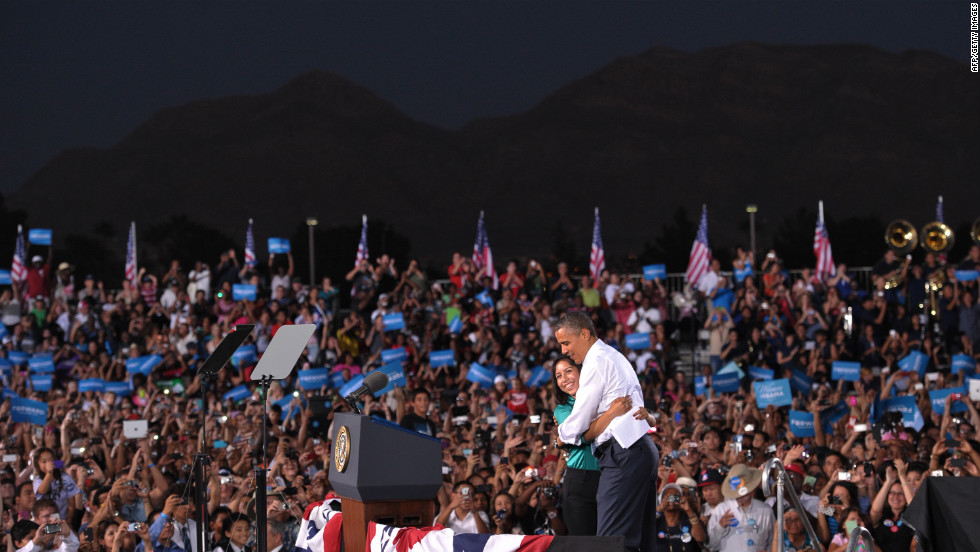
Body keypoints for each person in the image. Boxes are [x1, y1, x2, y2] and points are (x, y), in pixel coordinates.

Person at [554, 312, 658, 552]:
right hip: (639, 450)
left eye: (566, 343)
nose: (563, 351)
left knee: (611, 544)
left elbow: (579, 419)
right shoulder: (613, 356)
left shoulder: (596, 361)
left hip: (623, 453)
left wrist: (561, 435)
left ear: (584, 334)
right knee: (640, 542)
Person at [551, 355, 648, 536]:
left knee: (611, 542)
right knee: (585, 545)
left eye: (568, 371)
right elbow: (581, 436)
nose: (564, 379)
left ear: (583, 372)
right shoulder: (563, 409)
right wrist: (611, 413)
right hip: (580, 481)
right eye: (558, 376)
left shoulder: (603, 398)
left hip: (612, 476)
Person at [707, 463, 774, 552]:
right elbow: (711, 546)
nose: (741, 495)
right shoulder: (720, 510)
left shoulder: (765, 510)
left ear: (752, 488)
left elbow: (773, 541)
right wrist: (720, 525)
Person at [654, 484, 706, 551]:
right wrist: (659, 509)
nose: (671, 500)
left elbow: (700, 538)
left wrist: (689, 510)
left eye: (675, 497)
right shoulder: (657, 520)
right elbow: (644, 534)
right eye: (668, 497)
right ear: (661, 500)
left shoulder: (689, 519)